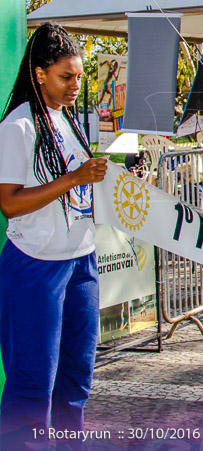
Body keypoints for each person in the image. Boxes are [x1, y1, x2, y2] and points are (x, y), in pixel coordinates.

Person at [0, 23, 110, 447]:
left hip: (81, 261)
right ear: (40, 73)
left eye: (79, 77)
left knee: (76, 377)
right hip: (35, 267)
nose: (75, 86)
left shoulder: (67, 120)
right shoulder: (19, 127)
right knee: (32, 385)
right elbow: (9, 202)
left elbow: (80, 186)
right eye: (66, 76)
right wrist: (73, 178)